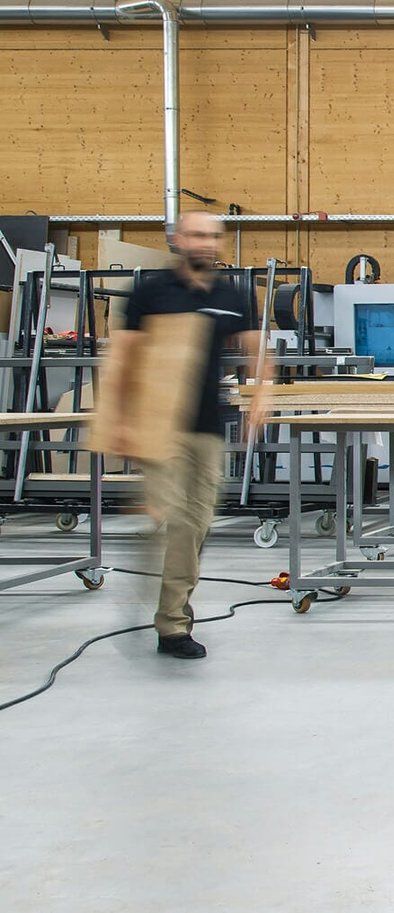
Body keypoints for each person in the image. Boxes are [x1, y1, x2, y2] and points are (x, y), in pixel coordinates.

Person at [101, 211, 273, 660]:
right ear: (178, 239)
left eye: (213, 236)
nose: (206, 243)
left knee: (196, 526)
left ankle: (167, 601)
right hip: (160, 424)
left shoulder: (231, 294)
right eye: (197, 235)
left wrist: (262, 392)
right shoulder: (150, 291)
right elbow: (123, 358)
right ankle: (173, 626)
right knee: (178, 523)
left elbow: (256, 348)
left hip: (207, 430)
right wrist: (118, 419)